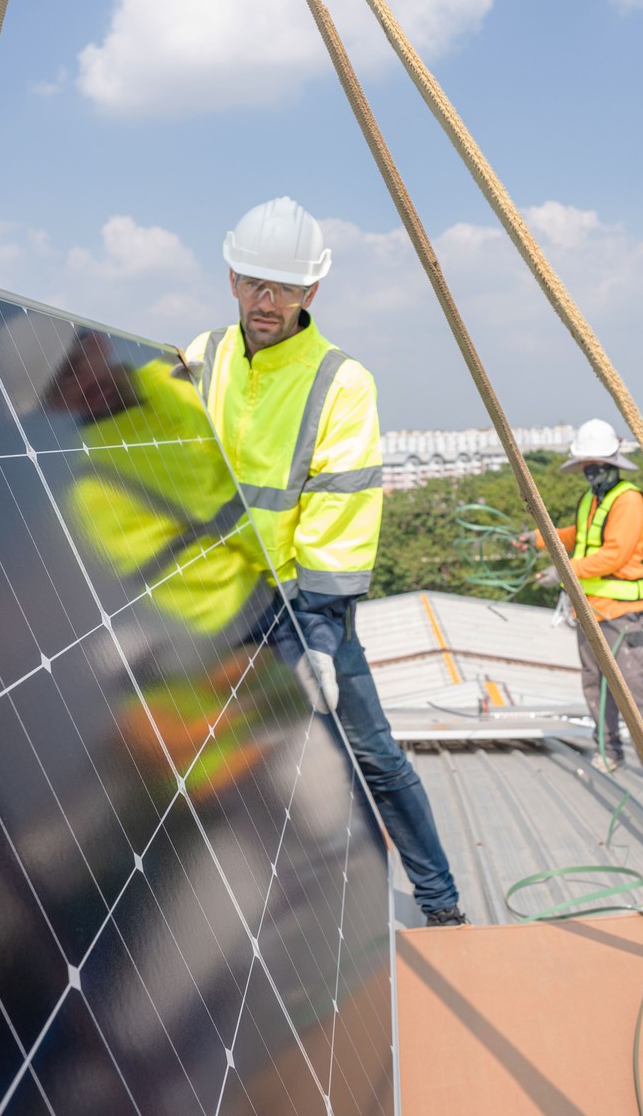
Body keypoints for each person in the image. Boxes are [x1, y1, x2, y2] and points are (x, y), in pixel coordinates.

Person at [184, 196, 467, 927]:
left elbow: (340, 516)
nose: (265, 300)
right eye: (252, 282)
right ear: (231, 278)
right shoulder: (201, 357)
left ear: (312, 291)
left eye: (282, 287)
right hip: (221, 604)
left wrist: (315, 633)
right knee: (244, 770)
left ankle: (438, 903)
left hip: (301, 607)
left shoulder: (341, 381)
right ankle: (283, 915)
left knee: (367, 754)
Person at [523, 419, 643, 776]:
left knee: (633, 686)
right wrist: (539, 539)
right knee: (596, 685)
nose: (591, 475)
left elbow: (615, 554)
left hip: (621, 612)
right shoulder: (591, 499)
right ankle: (610, 751)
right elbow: (579, 536)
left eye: (596, 467)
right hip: (589, 609)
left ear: (612, 465)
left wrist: (563, 570)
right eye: (587, 468)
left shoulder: (628, 501)